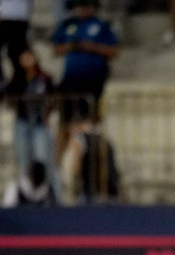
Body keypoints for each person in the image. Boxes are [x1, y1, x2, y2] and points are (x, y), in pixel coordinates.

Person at [51, 0, 120, 165]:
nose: (82, 9)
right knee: (64, 126)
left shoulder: (102, 26)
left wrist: (90, 47)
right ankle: (55, 168)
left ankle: (91, 166)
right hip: (71, 82)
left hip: (93, 84)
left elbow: (114, 51)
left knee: (91, 127)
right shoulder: (67, 25)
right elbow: (55, 49)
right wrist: (71, 46)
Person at [5, 48, 62, 203]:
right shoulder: (17, 79)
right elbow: (9, 100)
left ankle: (54, 198)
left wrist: (47, 114)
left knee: (45, 162)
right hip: (23, 123)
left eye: (29, 57)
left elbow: (55, 98)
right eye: (24, 58)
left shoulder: (44, 78)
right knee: (24, 163)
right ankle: (26, 197)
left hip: (39, 123)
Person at [68, 117, 122, 204]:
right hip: (110, 190)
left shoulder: (79, 138)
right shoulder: (103, 138)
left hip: (90, 190)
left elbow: (75, 167)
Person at [0, 0, 32, 100]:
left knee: (14, 54)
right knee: (0, 51)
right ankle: (1, 81)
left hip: (15, 17)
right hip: (13, 16)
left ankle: (11, 82)